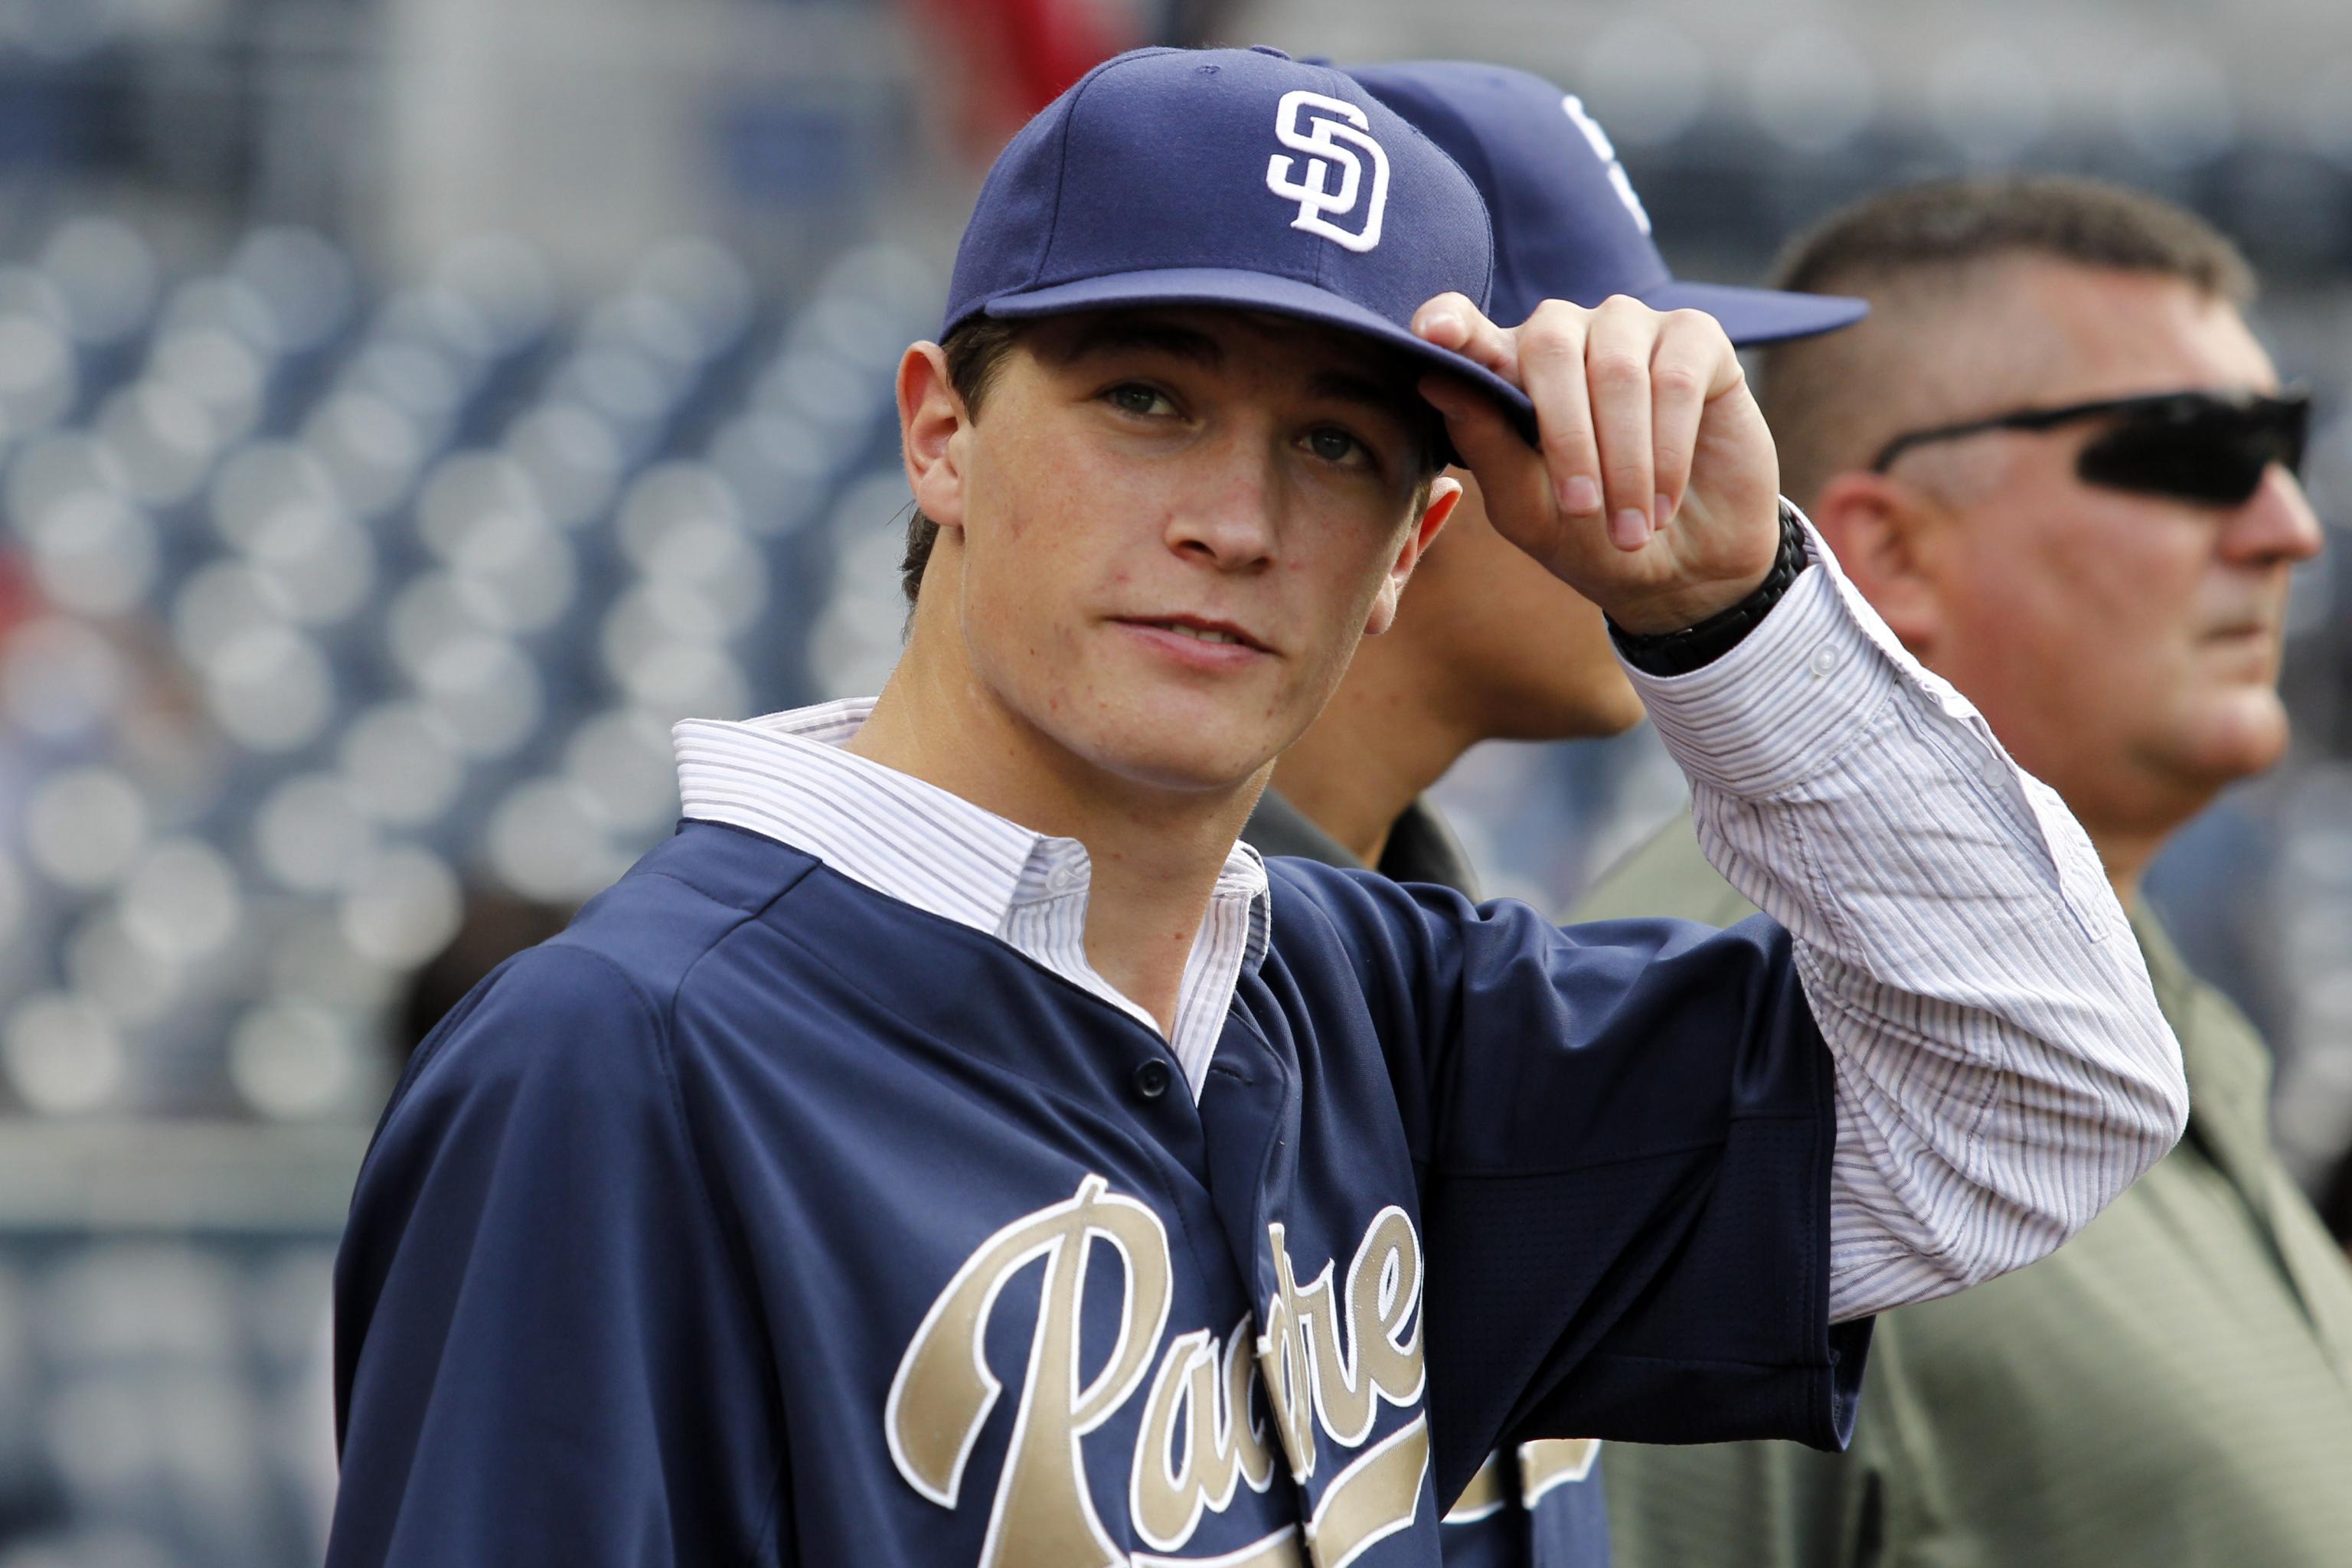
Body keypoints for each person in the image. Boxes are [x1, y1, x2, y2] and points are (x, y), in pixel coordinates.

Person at [328, 52, 2186, 1567]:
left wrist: (1727, 610)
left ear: (1412, 550)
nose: (1238, 517)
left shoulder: (1389, 1001)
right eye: (1147, 397)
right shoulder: (619, 1061)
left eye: (1335, 444)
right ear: (942, 433)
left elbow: (2046, 1093)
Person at [1582, 175, 2352, 1568]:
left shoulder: (2168, 992)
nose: (2286, 526)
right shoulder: (1708, 1023)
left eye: (2287, 445)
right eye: (2196, 453)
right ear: (1888, 548)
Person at [1233, 60, 1867, 1568]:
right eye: (1588, 404)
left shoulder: (1458, 964)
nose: (1657, 475)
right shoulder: (1024, 983)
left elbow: (2051, 1085)